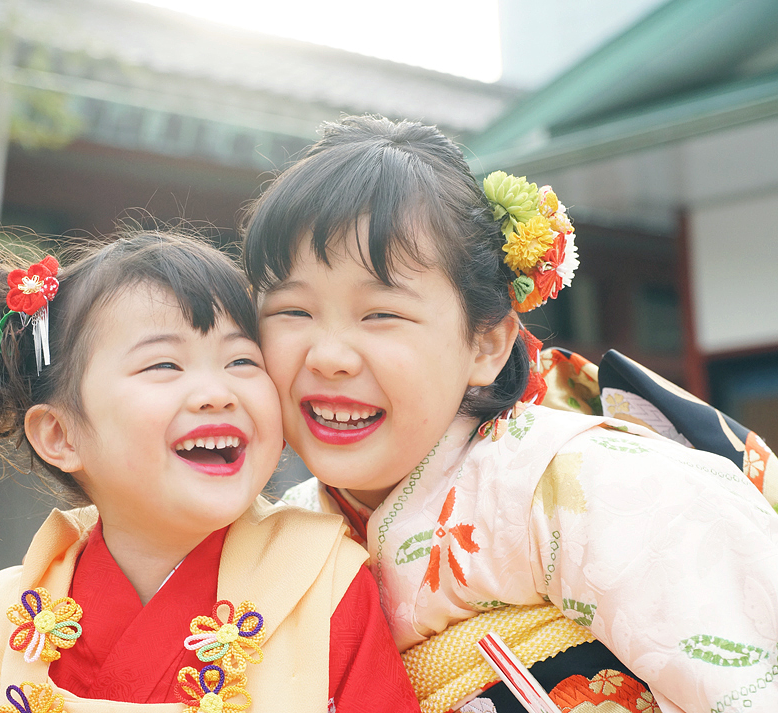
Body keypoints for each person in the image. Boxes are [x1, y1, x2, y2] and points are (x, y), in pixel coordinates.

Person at [243, 115, 778, 713]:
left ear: (487, 344)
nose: (330, 356)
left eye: (380, 315)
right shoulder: (275, 534)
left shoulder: (592, 482)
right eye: (291, 312)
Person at [0, 232, 420, 713]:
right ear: (59, 435)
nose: (218, 393)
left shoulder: (323, 583)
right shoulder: (0, 625)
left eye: (241, 362)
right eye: (164, 365)